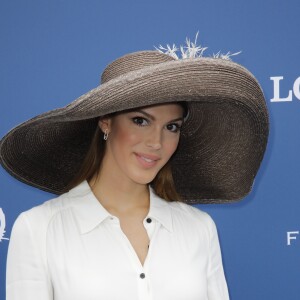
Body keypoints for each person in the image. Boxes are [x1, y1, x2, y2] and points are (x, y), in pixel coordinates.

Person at [0, 38, 269, 300]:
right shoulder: (39, 229)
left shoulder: (199, 228)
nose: (156, 142)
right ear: (106, 122)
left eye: (171, 127)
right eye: (140, 121)